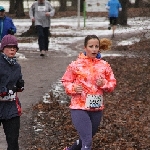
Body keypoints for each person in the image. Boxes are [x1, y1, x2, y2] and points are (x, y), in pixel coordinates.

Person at [62, 35, 116, 150]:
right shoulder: (75, 65)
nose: (94, 49)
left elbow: (112, 84)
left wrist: (104, 84)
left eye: (96, 46)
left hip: (96, 108)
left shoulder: (104, 65)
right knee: (87, 142)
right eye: (91, 46)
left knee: (85, 138)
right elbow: (66, 81)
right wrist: (73, 88)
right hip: (79, 107)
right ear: (85, 48)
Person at [0, 34, 24, 150]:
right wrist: (2, 90)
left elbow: (17, 81)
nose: (12, 49)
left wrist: (20, 85)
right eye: (9, 47)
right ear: (3, 48)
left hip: (11, 107)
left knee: (13, 141)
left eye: (14, 47)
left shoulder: (17, 66)